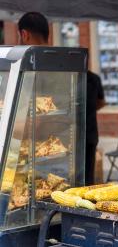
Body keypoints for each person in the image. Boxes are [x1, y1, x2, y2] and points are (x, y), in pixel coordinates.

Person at [18, 12, 105, 185]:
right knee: (82, 186)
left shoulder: (34, 68)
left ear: (24, 34)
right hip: (76, 141)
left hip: (54, 149)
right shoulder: (65, 67)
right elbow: (97, 103)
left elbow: (37, 122)